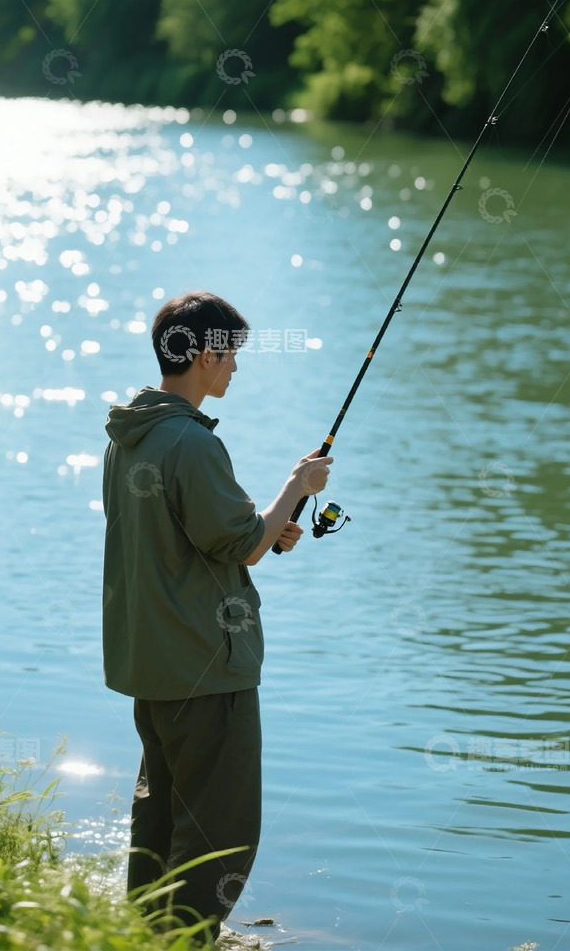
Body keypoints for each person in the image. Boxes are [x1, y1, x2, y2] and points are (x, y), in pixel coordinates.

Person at [101, 290, 332, 945]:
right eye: (231, 357)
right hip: (206, 671)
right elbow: (240, 545)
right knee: (220, 838)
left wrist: (267, 530)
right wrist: (297, 487)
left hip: (152, 665)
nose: (235, 370)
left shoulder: (131, 437)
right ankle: (183, 942)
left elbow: (206, 539)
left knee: (161, 823)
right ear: (204, 356)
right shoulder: (192, 445)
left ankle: (140, 938)